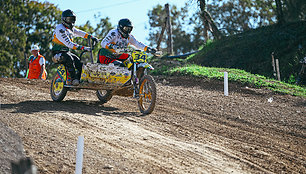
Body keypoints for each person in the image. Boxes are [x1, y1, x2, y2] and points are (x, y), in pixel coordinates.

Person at [51, 9, 98, 86]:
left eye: (73, 20)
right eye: (69, 19)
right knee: (69, 58)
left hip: (65, 53)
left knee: (79, 63)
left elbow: (79, 32)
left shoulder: (70, 29)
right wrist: (84, 48)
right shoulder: (60, 28)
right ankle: (73, 79)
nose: (71, 22)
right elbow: (69, 44)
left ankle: (78, 80)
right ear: (64, 19)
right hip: (57, 54)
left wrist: (92, 37)